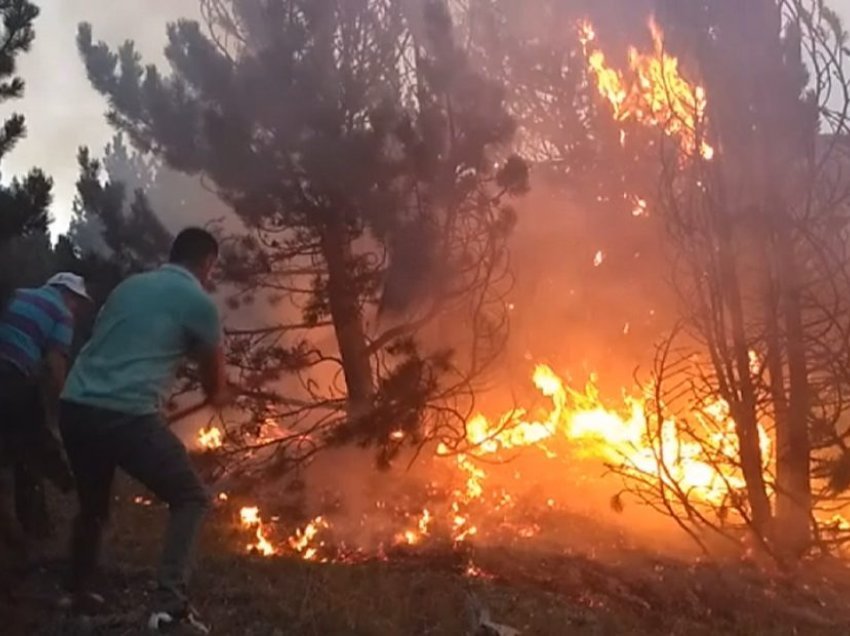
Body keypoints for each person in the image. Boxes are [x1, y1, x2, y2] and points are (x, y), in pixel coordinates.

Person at [59, 228, 229, 633]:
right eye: (212, 268)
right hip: (126, 416)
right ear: (207, 263)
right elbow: (214, 381)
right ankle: (169, 608)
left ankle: (76, 590)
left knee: (94, 506)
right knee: (190, 497)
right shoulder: (199, 303)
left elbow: (118, 341)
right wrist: (220, 393)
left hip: (76, 406)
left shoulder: (129, 286)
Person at [0, 273, 89, 551]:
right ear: (68, 294)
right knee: (32, 449)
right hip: (11, 378)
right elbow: (54, 362)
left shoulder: (18, 292)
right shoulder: (61, 313)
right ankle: (36, 528)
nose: (76, 308)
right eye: (77, 301)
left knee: (14, 447)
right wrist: (65, 401)